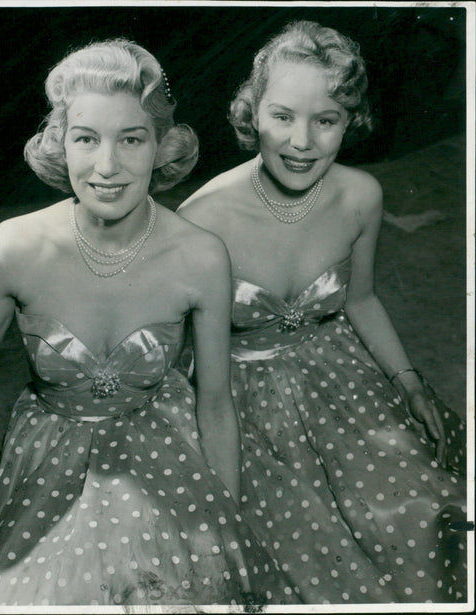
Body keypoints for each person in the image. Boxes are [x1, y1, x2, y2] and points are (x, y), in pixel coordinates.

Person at [0, 38, 299, 607]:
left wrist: (228, 523)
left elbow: (215, 403)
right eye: (86, 139)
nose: (107, 166)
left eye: (132, 139)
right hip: (45, 454)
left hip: (162, 447)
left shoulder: (201, 255)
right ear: (58, 144)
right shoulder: (15, 246)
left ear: (162, 146)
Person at [178, 21, 466, 603]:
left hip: (339, 375)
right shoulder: (201, 218)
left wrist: (409, 384)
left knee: (425, 509)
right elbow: (183, 355)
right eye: (282, 116)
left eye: (325, 120)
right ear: (251, 112)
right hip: (238, 399)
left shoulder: (361, 196)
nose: (302, 141)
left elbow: (359, 298)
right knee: (292, 558)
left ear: (349, 123)